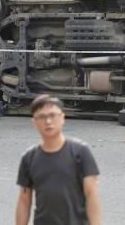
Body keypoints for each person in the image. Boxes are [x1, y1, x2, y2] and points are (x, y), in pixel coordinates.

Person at [15, 95, 101, 225]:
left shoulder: (80, 152)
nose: (48, 121)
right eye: (42, 117)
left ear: (62, 118)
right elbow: (24, 200)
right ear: (34, 122)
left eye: (53, 115)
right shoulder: (29, 158)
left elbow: (91, 194)